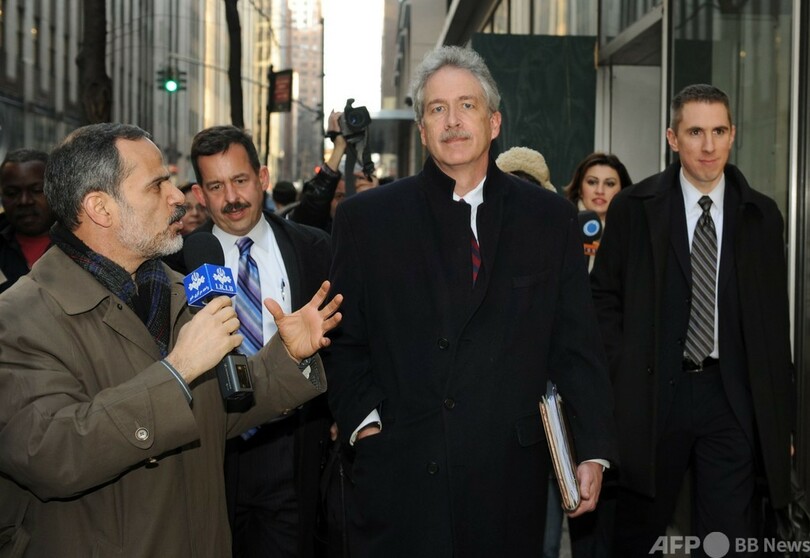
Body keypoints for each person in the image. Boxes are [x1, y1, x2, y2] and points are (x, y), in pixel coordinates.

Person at [324, 45, 617, 558]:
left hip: (508, 480)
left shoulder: (549, 219)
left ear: (494, 121)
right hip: (401, 479)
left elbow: (575, 344)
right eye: (437, 109)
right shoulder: (367, 220)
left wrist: (592, 448)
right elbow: (344, 340)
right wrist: (367, 428)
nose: (453, 121)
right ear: (422, 129)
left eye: (467, 105)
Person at [0, 123, 342, 557]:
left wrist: (288, 356)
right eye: (157, 185)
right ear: (101, 208)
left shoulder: (179, 289)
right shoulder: (19, 316)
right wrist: (177, 371)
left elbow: (221, 407)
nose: (178, 197)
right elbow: (52, 454)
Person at [590, 84, 794, 555]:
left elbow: (773, 326)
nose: (708, 145)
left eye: (719, 131)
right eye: (695, 132)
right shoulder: (634, 209)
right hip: (655, 395)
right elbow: (603, 301)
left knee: (725, 538)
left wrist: (780, 419)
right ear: (672, 138)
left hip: (730, 395)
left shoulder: (761, 216)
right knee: (638, 533)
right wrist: (623, 374)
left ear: (733, 135)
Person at [189, 125, 332, 558]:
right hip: (210, 453)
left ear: (263, 177)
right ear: (199, 194)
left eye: (240, 180)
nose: (231, 198)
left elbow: (342, 340)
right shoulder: (179, 264)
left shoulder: (314, 248)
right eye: (216, 186)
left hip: (292, 447)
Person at [289, 110, 378, 232]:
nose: (346, 202)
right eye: (339, 196)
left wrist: (376, 197)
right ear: (327, 201)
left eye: (354, 195)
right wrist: (339, 147)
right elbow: (311, 208)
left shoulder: (377, 227)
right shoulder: (318, 234)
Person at [0, 148, 55, 293]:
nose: (24, 201)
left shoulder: (84, 243)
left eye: (37, 190)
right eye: (12, 193)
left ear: (56, 190)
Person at [564, 152, 632, 225]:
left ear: (622, 190)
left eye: (609, 184)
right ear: (579, 189)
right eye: (592, 182)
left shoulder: (634, 227)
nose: (600, 191)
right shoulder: (561, 223)